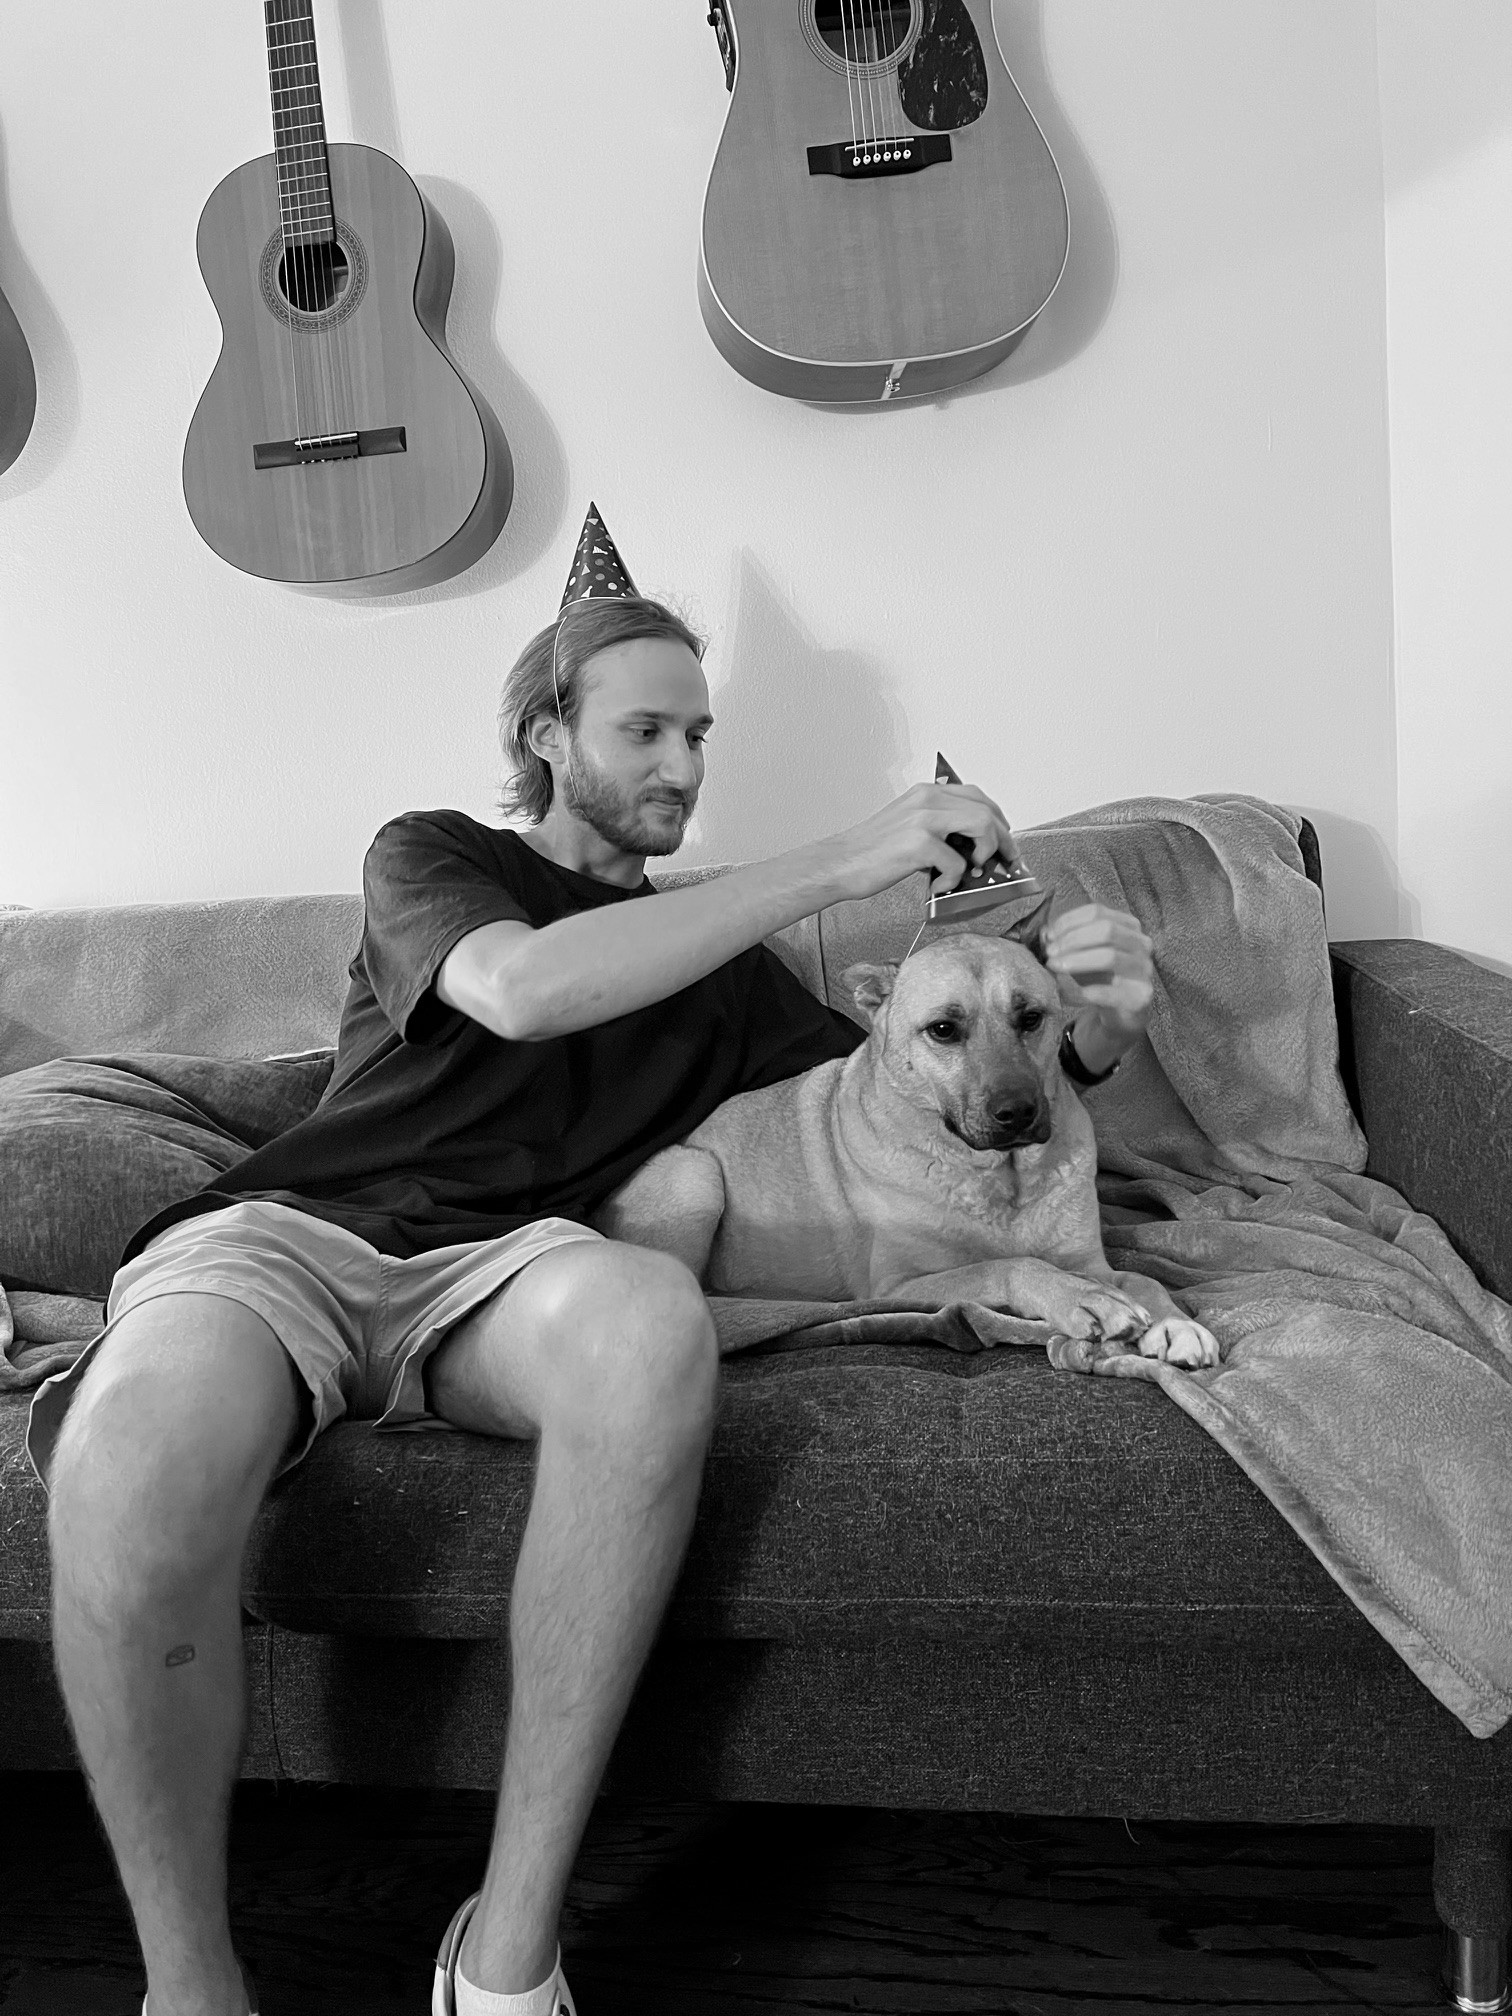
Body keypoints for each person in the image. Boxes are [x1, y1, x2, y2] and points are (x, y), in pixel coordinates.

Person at [29, 507, 1156, 2016]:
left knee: (647, 1320)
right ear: (547, 733)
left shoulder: (732, 980)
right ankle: (191, 1988)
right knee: (126, 1455)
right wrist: (837, 860)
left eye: (701, 732)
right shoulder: (435, 858)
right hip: (298, 1238)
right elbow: (523, 993)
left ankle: (506, 1956)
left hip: (518, 1275)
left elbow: (925, 1088)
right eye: (646, 729)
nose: (686, 768)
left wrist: (1096, 1026)